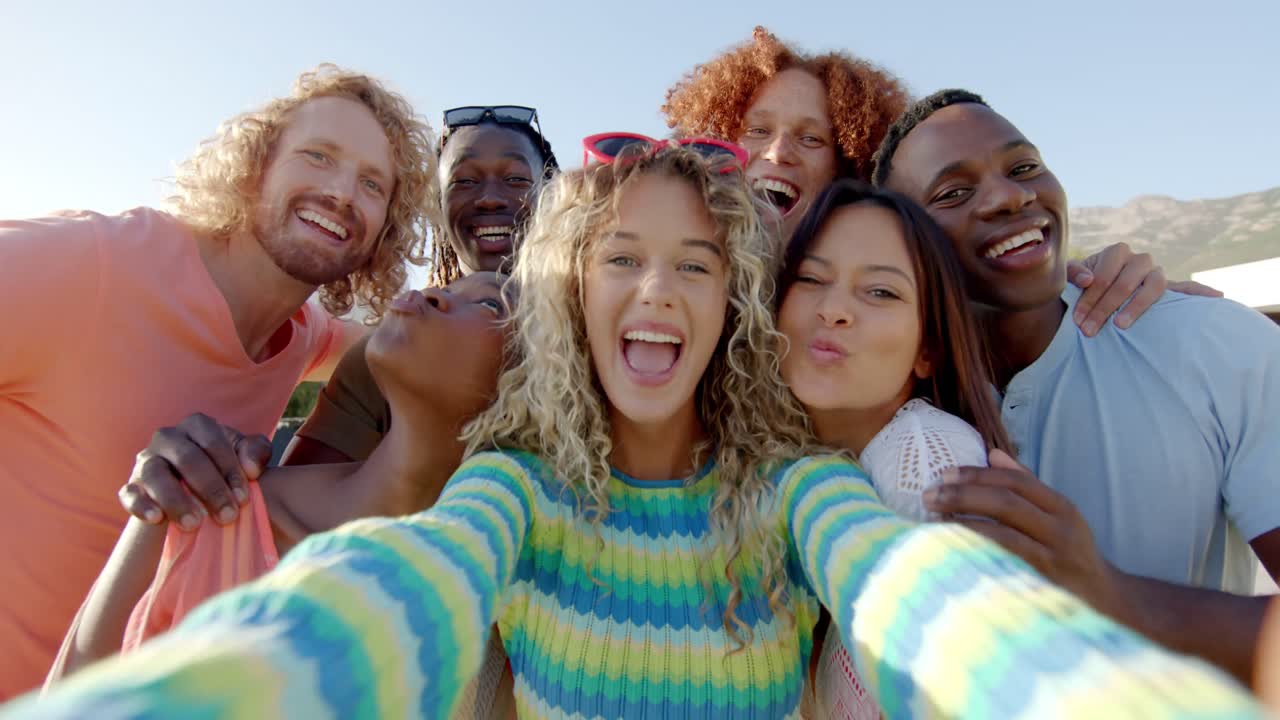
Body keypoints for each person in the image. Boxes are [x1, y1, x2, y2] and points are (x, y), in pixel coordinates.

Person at [7, 142, 1260, 719]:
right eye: (619, 259)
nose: (656, 291)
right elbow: (380, 591)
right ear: (566, 298)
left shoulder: (796, 494)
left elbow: (924, 593)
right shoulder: (512, 497)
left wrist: (1085, 682)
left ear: (735, 312)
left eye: (696, 266)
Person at [0, 64, 435, 698]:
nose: (342, 192)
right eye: (318, 156)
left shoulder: (305, 336)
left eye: (373, 185)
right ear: (255, 164)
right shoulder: (95, 263)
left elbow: (419, 347)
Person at [873, 88, 1280, 686]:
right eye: (953, 193)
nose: (1011, 196)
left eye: (1025, 167)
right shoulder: (885, 400)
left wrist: (1111, 595)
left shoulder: (1214, 343)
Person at [45, 272, 510, 683]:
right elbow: (70, 692)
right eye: (446, 286)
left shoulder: (491, 607)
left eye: (490, 303)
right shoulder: (207, 497)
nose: (431, 294)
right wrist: (147, 523)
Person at [663, 26, 1219, 336]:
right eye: (757, 130)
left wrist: (1111, 284)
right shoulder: (663, 278)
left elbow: (1001, 297)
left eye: (812, 139)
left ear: (848, 171)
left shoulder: (906, 304)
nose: (778, 152)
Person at [774, 180, 1012, 718]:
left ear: (927, 349)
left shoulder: (926, 463)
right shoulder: (804, 466)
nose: (834, 309)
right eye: (811, 278)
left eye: (880, 292)